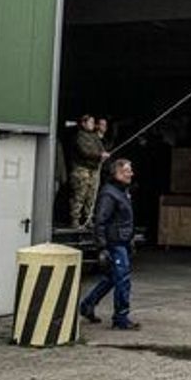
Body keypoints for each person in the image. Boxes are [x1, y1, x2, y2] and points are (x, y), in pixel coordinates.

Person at [79, 159, 141, 330]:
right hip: (115, 243)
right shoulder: (110, 194)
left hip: (122, 241)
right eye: (127, 171)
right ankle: (121, 317)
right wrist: (102, 247)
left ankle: (87, 305)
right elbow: (100, 221)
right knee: (123, 279)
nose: (131, 174)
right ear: (117, 173)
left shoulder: (121, 191)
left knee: (113, 278)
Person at [68, 114, 109, 229]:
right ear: (83, 123)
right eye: (90, 122)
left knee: (91, 196)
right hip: (81, 169)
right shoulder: (79, 136)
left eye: (93, 122)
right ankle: (75, 219)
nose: (92, 124)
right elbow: (84, 151)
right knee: (80, 195)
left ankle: (88, 219)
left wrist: (103, 154)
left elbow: (101, 148)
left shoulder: (95, 137)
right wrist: (99, 155)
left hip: (93, 169)